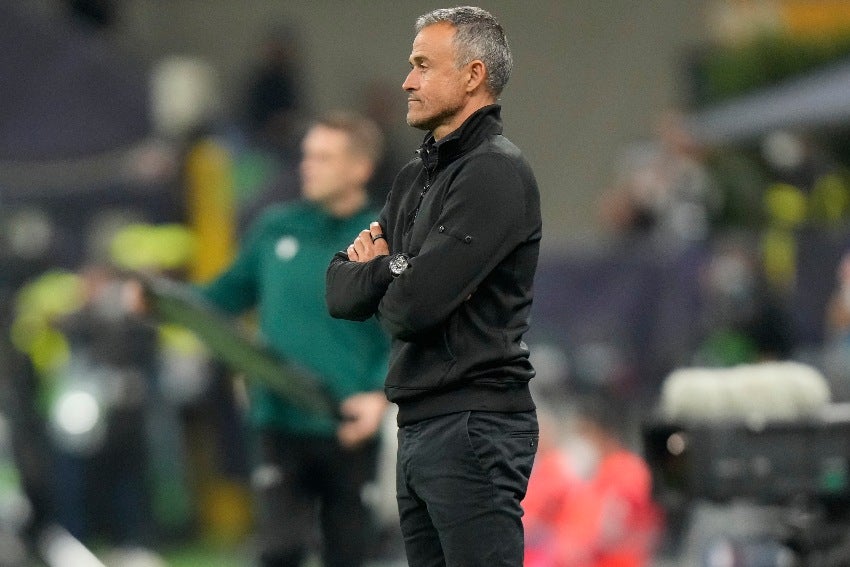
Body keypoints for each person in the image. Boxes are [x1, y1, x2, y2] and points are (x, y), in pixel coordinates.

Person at [325, 6, 542, 566]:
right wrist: (396, 269)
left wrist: (387, 273)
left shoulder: (493, 172)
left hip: (473, 423)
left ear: (473, 76)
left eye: (423, 65)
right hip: (421, 424)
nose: (407, 80)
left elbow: (411, 310)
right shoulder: (415, 177)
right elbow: (340, 292)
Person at [138, 111, 391, 566]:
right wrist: (160, 301)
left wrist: (378, 395)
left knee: (350, 553)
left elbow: (405, 328)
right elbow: (222, 297)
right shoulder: (276, 228)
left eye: (324, 158)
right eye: (307, 156)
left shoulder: (383, 238)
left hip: (348, 422)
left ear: (360, 168)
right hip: (278, 418)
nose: (308, 166)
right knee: (279, 550)